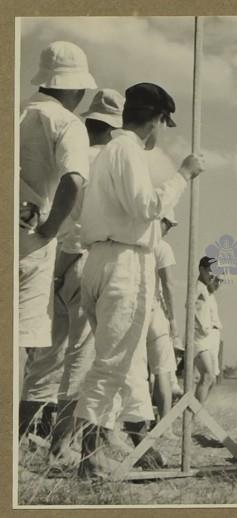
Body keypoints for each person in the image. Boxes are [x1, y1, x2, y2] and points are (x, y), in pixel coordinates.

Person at [74, 82, 205, 478]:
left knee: (125, 362)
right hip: (122, 262)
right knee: (112, 363)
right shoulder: (127, 150)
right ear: (157, 121)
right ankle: (88, 454)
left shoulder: (107, 153)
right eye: (164, 123)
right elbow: (146, 206)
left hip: (104, 258)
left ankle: (123, 442)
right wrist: (183, 175)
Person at [20, 89, 125, 468]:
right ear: (114, 130)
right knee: (80, 358)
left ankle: (18, 442)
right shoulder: (111, 161)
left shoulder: (73, 149)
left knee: (46, 357)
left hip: (57, 260)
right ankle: (61, 445)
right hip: (86, 260)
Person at [19, 41, 96, 441]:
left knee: (29, 351)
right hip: (34, 242)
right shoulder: (66, 123)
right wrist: (50, 227)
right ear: (72, 86)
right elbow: (74, 179)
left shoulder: (16, 110)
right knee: (28, 340)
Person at [146, 210, 180, 432]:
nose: (169, 229)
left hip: (133, 311)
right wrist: (173, 317)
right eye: (169, 224)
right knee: (163, 370)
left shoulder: (134, 242)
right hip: (155, 311)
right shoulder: (162, 247)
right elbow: (168, 284)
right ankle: (165, 427)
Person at [194, 257, 224, 404]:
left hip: (212, 336)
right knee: (207, 377)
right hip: (200, 337)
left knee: (211, 380)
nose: (214, 278)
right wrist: (201, 326)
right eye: (211, 273)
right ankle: (190, 418)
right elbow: (189, 306)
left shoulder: (208, 291)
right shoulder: (197, 287)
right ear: (202, 269)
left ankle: (192, 413)